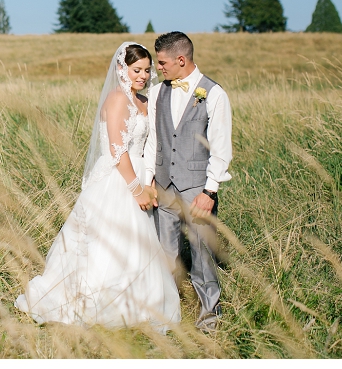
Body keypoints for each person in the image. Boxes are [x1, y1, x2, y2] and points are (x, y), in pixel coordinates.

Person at [15, 42, 180, 329]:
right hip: (119, 180)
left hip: (140, 175)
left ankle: (138, 303)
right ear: (122, 68)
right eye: (136, 69)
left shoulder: (143, 101)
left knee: (136, 244)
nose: (142, 75)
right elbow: (117, 150)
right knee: (108, 243)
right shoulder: (117, 100)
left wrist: (149, 180)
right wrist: (136, 188)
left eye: (146, 70)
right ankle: (97, 303)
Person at [143, 31, 232, 332]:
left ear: (181, 60)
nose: (158, 69)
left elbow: (221, 149)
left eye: (162, 62)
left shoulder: (215, 94)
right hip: (164, 189)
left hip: (197, 191)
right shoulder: (156, 93)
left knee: (202, 257)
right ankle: (166, 314)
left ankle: (210, 316)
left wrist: (210, 191)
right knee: (165, 255)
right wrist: (149, 180)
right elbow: (153, 141)